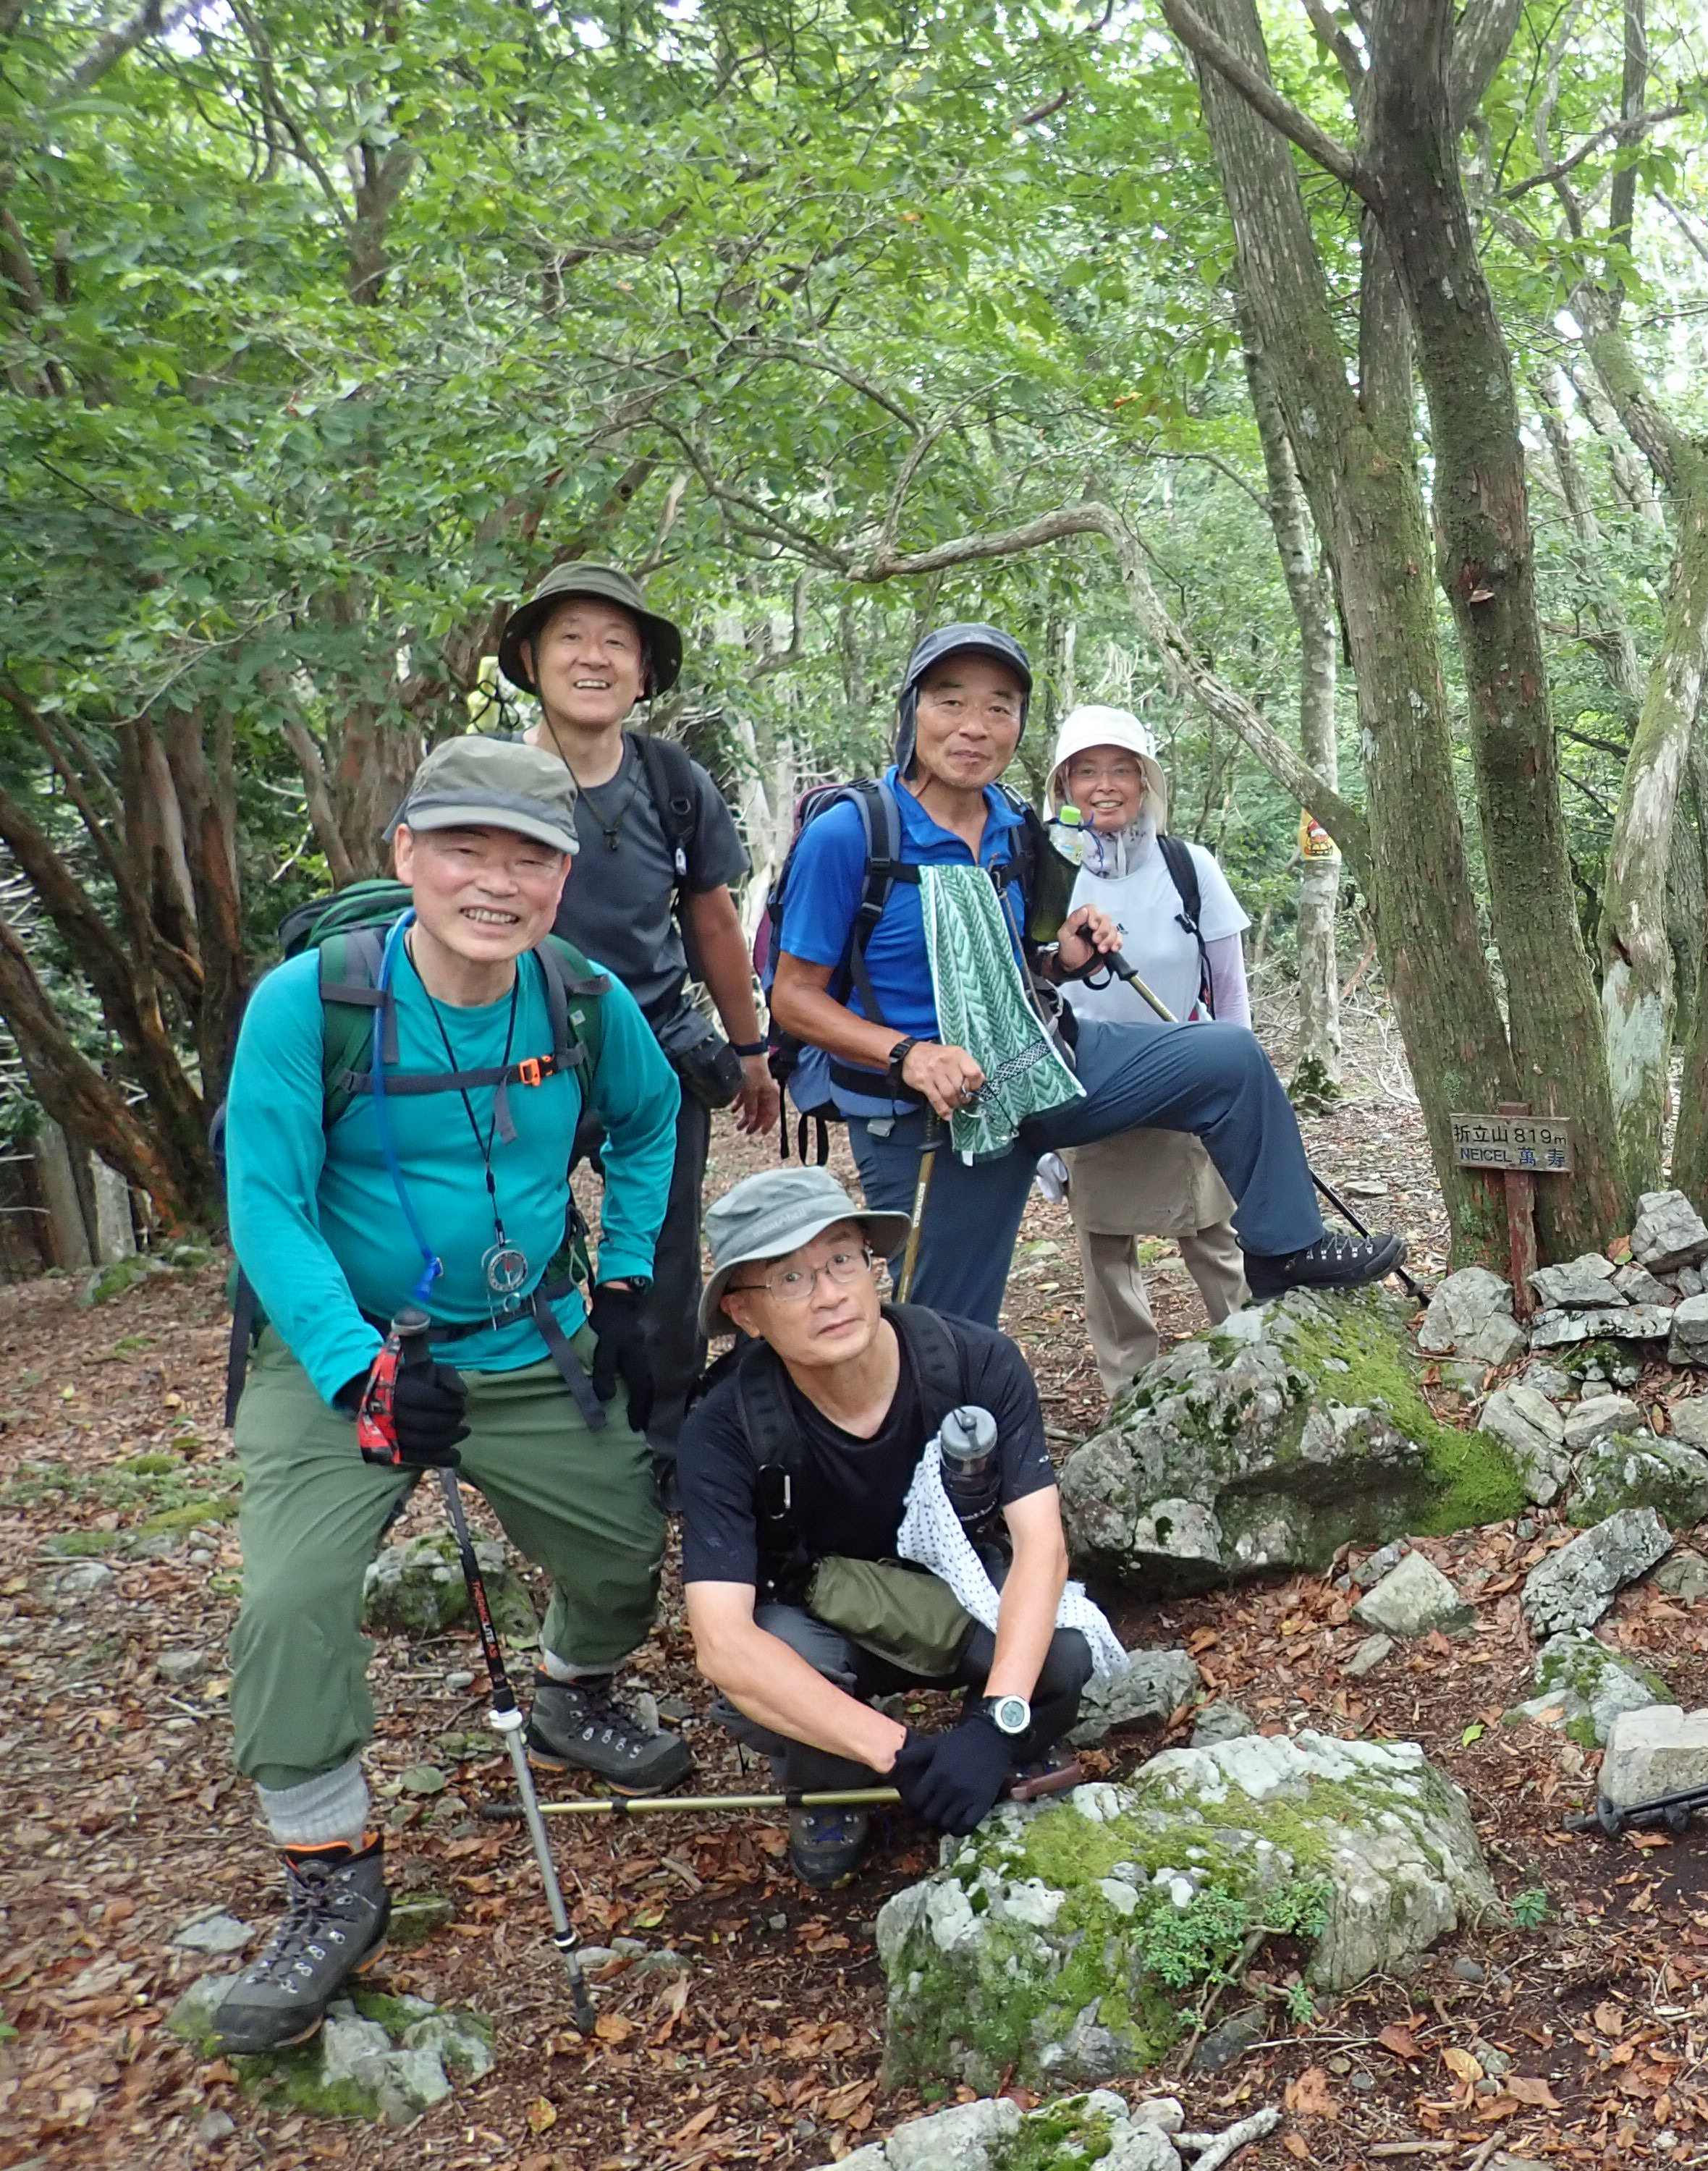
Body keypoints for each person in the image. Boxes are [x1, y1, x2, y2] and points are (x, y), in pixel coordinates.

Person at [211, 740, 690, 2054]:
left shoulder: (587, 1003)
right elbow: (267, 1199)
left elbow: (651, 1126)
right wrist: (356, 1366)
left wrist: (636, 1278)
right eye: (464, 848)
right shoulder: (307, 1007)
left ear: (564, 875)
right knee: (288, 1600)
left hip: (528, 1336)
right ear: (405, 853)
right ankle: (329, 1869)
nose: (496, 880)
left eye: (528, 855)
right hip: (342, 1355)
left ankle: (569, 1691)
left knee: (622, 1548)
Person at [765, 622, 1399, 1326]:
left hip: (1042, 1063)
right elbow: (793, 999)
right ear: (911, 710)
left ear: (1020, 726)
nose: (975, 727)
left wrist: (1067, 956)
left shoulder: (1012, 823)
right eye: (951, 702)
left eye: (999, 707)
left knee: (1230, 1057)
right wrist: (909, 1055)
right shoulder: (852, 834)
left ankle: (1285, 1252)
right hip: (929, 1117)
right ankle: (947, 1432)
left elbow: (1020, 962)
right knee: (948, 1326)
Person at [675, 1167, 1102, 1887]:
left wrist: (992, 1727)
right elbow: (721, 1642)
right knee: (772, 1664)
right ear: (745, 1314)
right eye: (789, 1278)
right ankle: (834, 1784)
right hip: (821, 1617)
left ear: (874, 1269)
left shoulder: (973, 1363)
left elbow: (1041, 1547)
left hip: (955, 1592)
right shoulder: (724, 1428)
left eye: (842, 1260)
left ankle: (1004, 1741)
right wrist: (897, 1751)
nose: (829, 1294)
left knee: (1060, 1653)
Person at [497, 562, 776, 1481]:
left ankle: (664, 1449)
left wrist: (751, 1051)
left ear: (645, 672)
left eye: (617, 642)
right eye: (570, 637)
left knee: (660, 1258)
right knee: (510, 1236)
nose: (594, 658)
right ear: (530, 659)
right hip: (513, 1058)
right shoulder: (489, 782)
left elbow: (712, 919)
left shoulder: (669, 779)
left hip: (653, 1056)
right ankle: (533, 1433)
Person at [1041, 705, 1253, 1395]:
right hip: (1086, 1079)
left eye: (1122, 769)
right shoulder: (1046, 878)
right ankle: (1128, 1392)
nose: (1105, 786)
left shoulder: (1190, 867)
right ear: (1064, 786)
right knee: (1104, 1245)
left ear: (1146, 781)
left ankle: (1255, 1363)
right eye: (1086, 772)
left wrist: (1241, 1090)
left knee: (1211, 1229)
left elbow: (1228, 990)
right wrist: (1041, 1129)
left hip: (1184, 1069)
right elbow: (1029, 992)